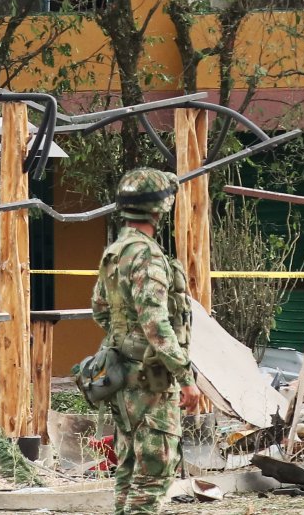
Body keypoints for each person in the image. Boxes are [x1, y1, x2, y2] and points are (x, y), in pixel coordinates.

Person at [91, 168, 200, 515]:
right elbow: (156, 322)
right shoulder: (147, 255)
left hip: (124, 375)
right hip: (151, 379)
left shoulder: (115, 251)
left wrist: (125, 342)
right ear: (160, 209)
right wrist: (186, 378)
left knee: (127, 468)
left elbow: (100, 310)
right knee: (154, 469)